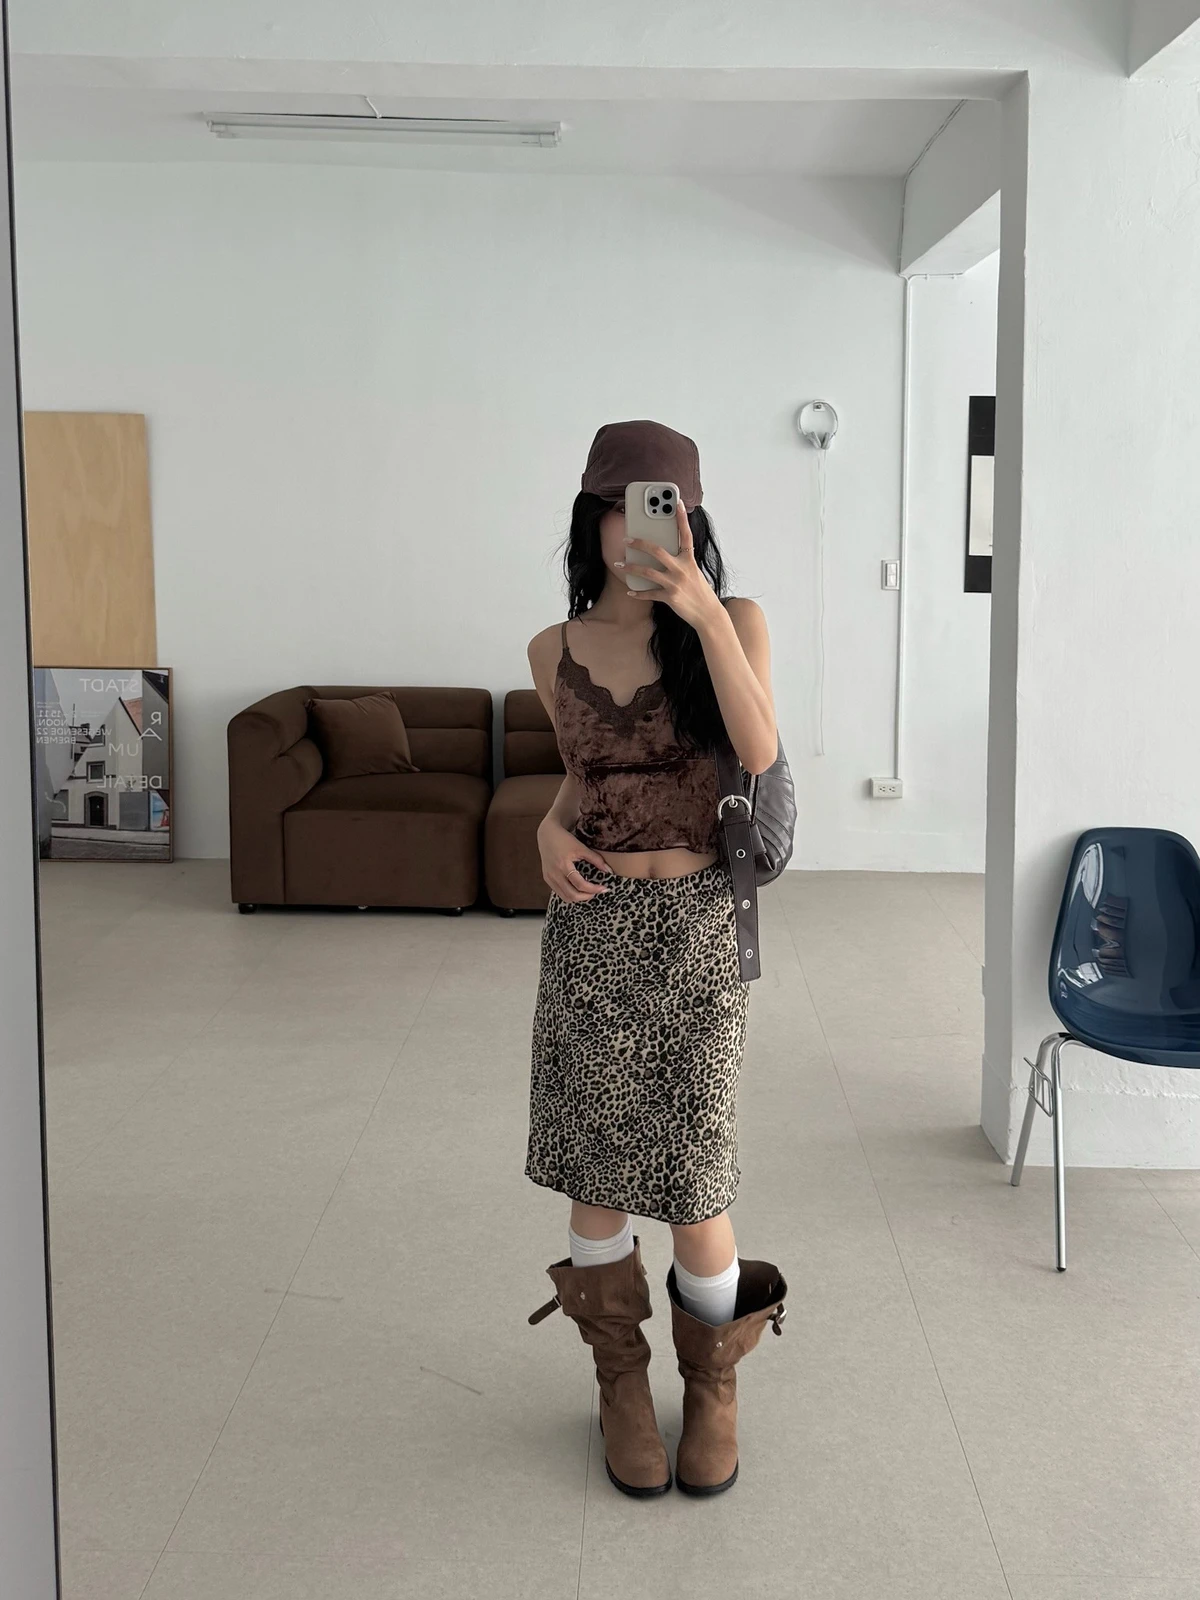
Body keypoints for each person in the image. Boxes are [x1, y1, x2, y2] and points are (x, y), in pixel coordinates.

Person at [524, 420, 788, 1499]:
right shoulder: (551, 649)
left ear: (690, 519)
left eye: (665, 506)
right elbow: (582, 778)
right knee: (596, 1177)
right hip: (592, 932)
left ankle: (713, 1389)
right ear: (592, 517)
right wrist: (547, 831)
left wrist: (704, 615)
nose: (641, 527)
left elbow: (758, 749)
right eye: (623, 505)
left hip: (697, 929)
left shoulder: (735, 621)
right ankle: (620, 1386)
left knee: (695, 1175)